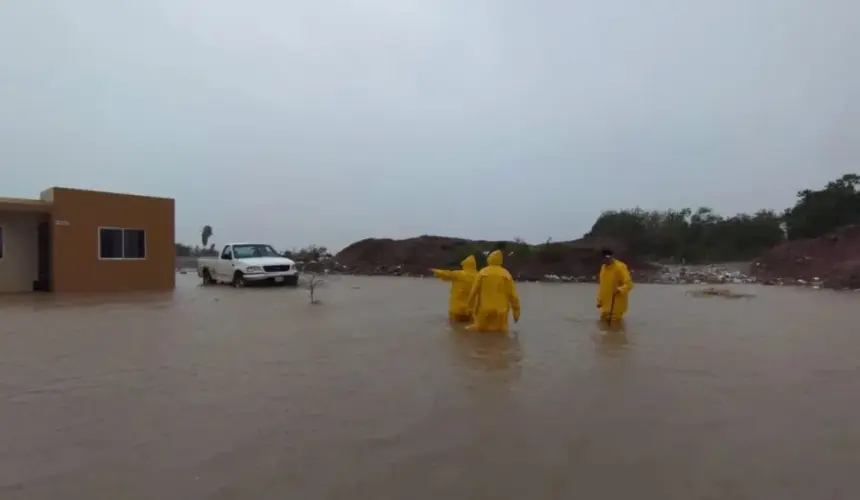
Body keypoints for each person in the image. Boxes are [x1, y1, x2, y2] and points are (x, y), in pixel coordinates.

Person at [466, 250, 521, 332]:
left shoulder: (482, 273)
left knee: (479, 332)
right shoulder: (506, 274)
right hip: (501, 311)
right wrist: (516, 313)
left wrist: (469, 307)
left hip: (484, 310)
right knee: (500, 334)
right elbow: (513, 296)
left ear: (489, 259)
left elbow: (473, 292)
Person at [431, 255, 479, 322]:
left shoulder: (459, 274)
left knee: (455, 327)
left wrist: (434, 270)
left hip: (456, 308)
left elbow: (446, 274)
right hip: (471, 309)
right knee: (468, 326)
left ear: (464, 264)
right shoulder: (478, 275)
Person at [596, 248, 634, 322]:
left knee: (614, 327)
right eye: (604, 258)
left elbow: (629, 284)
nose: (606, 260)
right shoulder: (603, 268)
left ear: (612, 257)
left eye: (608, 258)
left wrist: (620, 290)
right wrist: (599, 301)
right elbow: (602, 286)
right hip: (605, 307)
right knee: (603, 328)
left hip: (616, 306)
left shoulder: (620, 267)